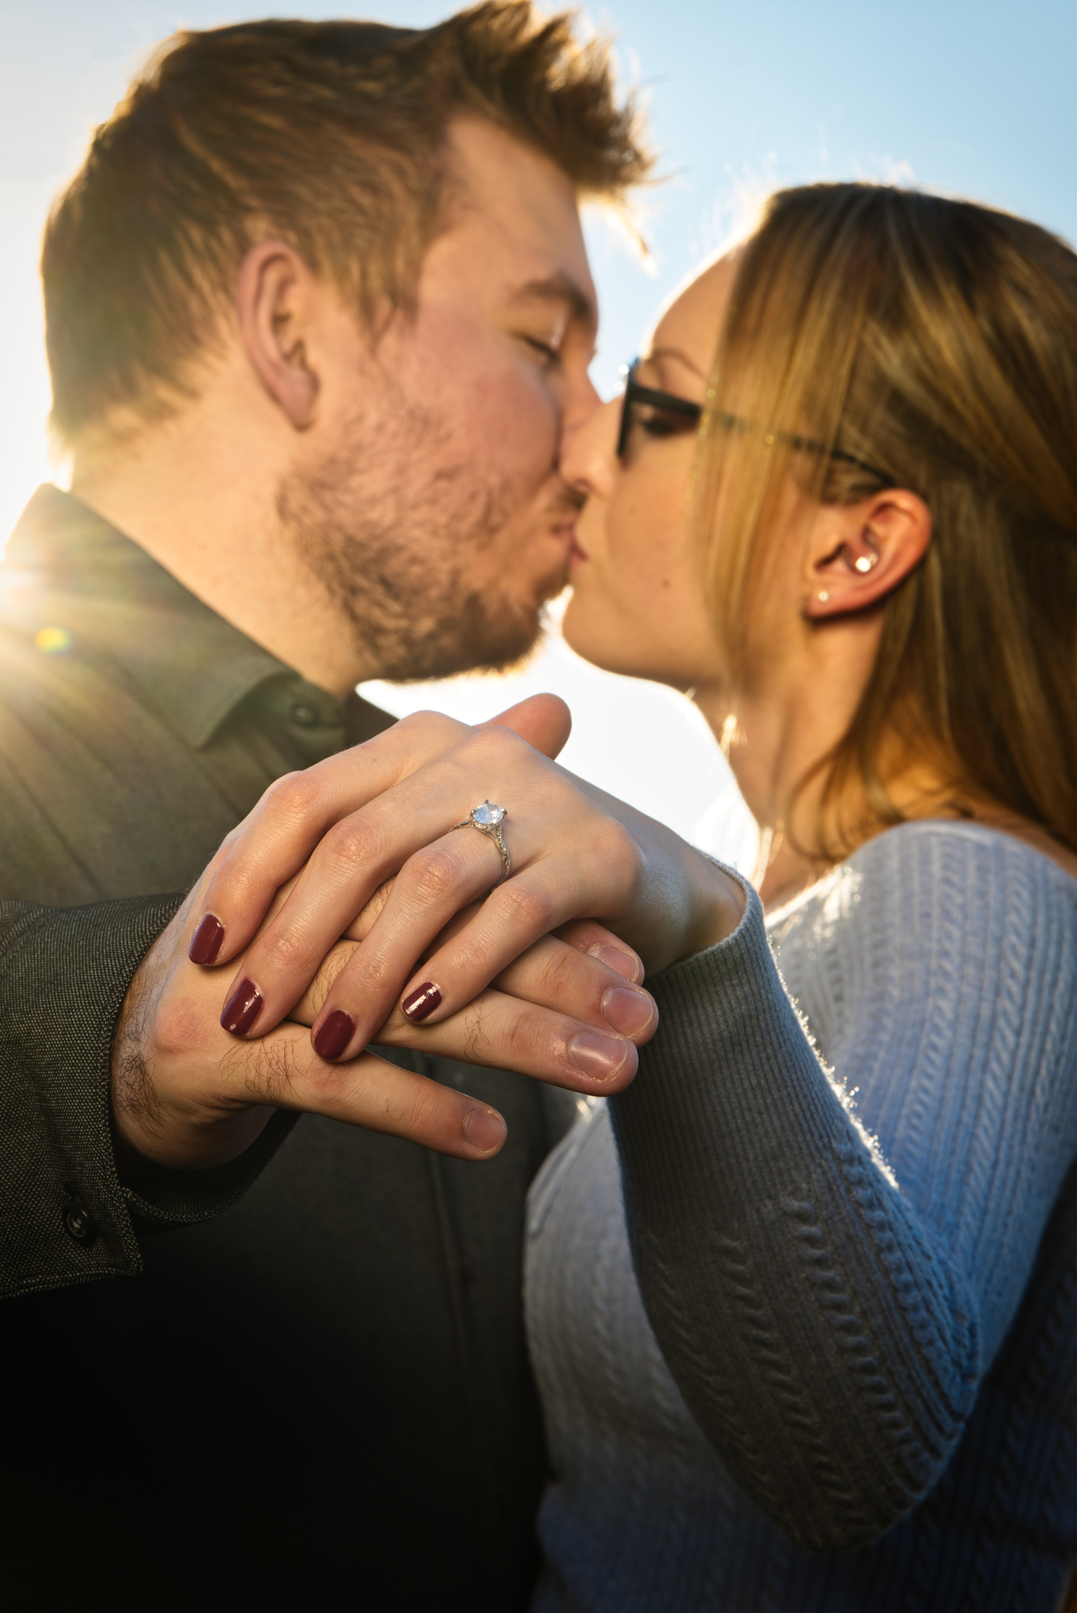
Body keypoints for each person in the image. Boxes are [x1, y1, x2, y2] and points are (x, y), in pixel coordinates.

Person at [200, 184, 1077, 1610]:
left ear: (854, 545)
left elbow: (858, 1446)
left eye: (657, 409)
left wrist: (697, 947)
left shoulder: (978, 887)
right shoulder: (814, 912)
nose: (586, 447)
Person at [0, 9, 658, 1609]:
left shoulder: (495, 836)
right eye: (540, 342)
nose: (599, 443)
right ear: (290, 324)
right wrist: (110, 1056)